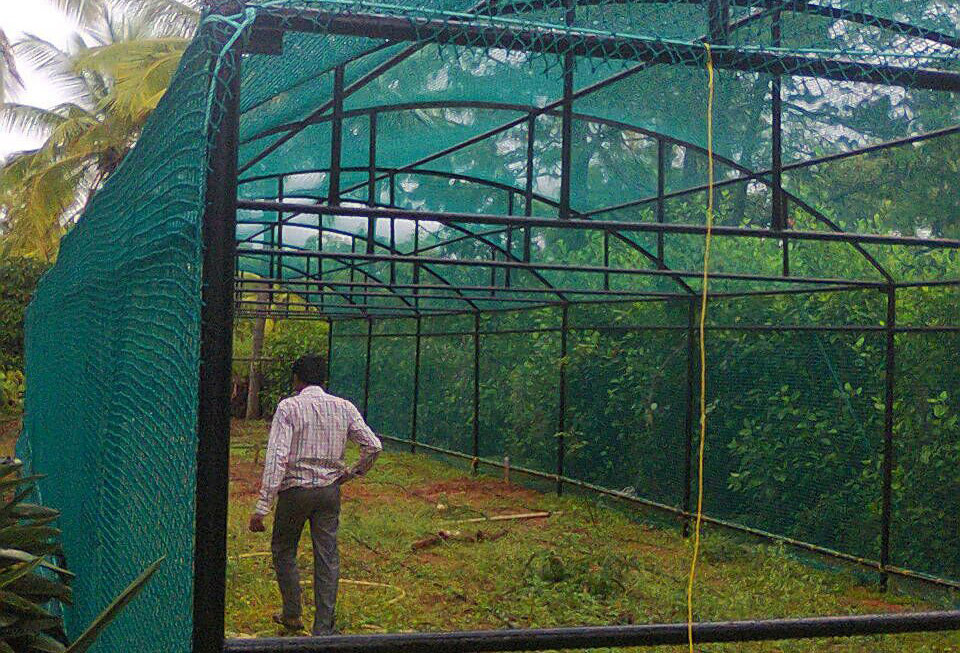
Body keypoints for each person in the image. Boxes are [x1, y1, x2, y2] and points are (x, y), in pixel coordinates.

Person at [249, 354, 382, 636]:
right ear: (323, 379)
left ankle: (292, 613)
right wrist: (350, 473)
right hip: (328, 493)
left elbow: (277, 457)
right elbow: (373, 446)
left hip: (295, 492)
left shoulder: (289, 408)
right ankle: (323, 629)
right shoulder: (343, 407)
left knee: (284, 550)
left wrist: (263, 506)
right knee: (327, 557)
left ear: (297, 379)